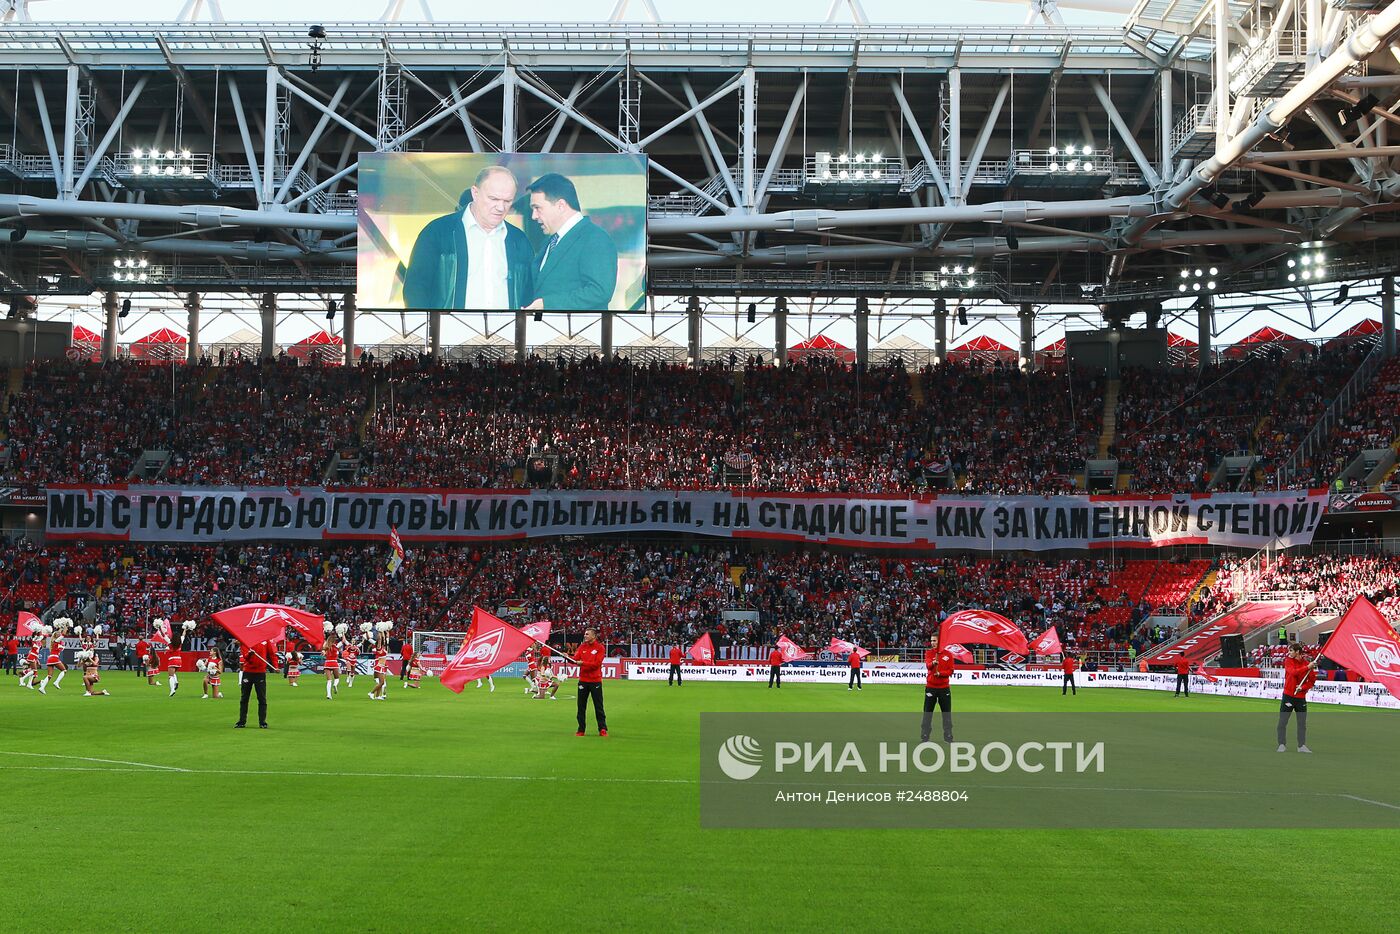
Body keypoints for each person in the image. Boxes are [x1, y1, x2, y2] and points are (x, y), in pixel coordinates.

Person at [401, 166, 535, 311]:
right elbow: (415, 288)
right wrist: (428, 328)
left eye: (507, 201)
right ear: (475, 193)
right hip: (448, 331)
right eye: (493, 199)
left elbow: (528, 293)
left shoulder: (519, 240)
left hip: (506, 331)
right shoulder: (438, 232)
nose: (501, 207)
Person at [524, 173, 619, 312]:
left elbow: (599, 292)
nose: (534, 216)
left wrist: (547, 304)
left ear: (561, 205)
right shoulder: (550, 242)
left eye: (537, 208)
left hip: (578, 332)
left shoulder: (596, 238)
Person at [1278, 643, 1318, 753]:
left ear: (1298, 652)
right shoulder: (1288, 661)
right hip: (1288, 696)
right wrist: (1307, 667)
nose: (1289, 653)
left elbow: (1312, 681)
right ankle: (1281, 744)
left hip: (1300, 698)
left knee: (1302, 723)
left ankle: (1301, 746)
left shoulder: (1306, 664)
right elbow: (1293, 672)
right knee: (1283, 721)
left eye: (1291, 651)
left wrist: (1303, 687)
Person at [568, 628, 607, 737]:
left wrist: (582, 663)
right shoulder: (581, 647)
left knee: (598, 706)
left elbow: (596, 664)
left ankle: (602, 729)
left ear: (593, 636)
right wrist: (567, 658)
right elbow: (575, 660)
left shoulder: (600, 648)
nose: (585, 636)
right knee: (581, 706)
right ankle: (581, 729)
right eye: (585, 634)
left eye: (587, 634)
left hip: (595, 681)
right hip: (583, 681)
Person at [921, 632, 956, 743]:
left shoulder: (948, 655)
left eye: (934, 640)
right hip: (931, 687)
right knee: (927, 713)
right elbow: (928, 665)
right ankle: (925, 735)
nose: (932, 643)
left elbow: (951, 671)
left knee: (946, 714)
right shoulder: (929, 653)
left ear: (940, 642)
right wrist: (933, 663)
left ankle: (948, 736)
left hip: (944, 688)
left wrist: (940, 673)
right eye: (931, 641)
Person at [235, 639, 279, 729]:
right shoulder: (245, 641)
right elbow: (245, 657)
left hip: (260, 673)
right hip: (248, 672)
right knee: (244, 698)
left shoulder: (266, 641)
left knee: (262, 698)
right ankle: (241, 721)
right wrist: (250, 654)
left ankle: (262, 722)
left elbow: (272, 654)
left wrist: (276, 666)